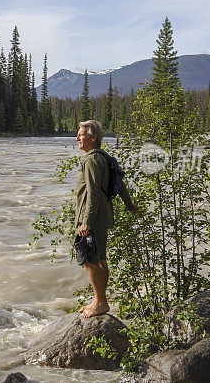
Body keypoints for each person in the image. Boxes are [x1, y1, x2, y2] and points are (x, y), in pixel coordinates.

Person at [75, 120, 136, 318]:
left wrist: (86, 221)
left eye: (81, 134)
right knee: (100, 259)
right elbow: (121, 185)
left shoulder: (92, 159)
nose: (77, 138)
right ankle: (98, 298)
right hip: (103, 216)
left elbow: (92, 193)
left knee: (89, 260)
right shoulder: (105, 157)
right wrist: (130, 206)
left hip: (93, 217)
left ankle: (101, 302)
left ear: (93, 138)